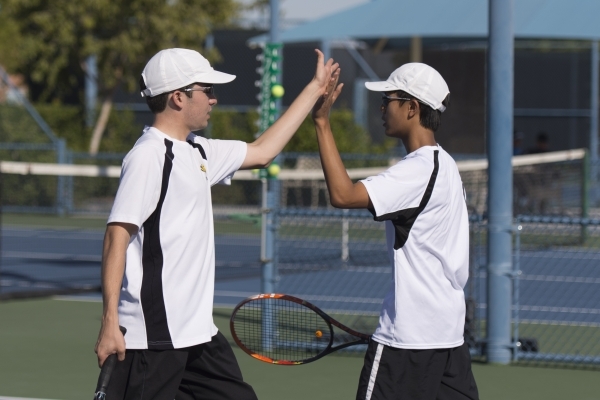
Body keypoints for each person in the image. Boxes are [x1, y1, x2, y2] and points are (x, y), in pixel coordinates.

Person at [94, 47, 338, 399]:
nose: (213, 99)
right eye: (206, 90)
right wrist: (109, 323)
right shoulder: (148, 156)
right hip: (155, 337)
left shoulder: (199, 151)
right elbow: (116, 237)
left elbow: (263, 151)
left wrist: (315, 89)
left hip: (196, 334)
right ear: (178, 98)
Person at [312, 63, 479, 400]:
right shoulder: (445, 164)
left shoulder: (416, 171)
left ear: (411, 107)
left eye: (387, 99)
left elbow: (342, 195)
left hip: (408, 342)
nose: (382, 109)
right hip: (448, 338)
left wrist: (321, 122)